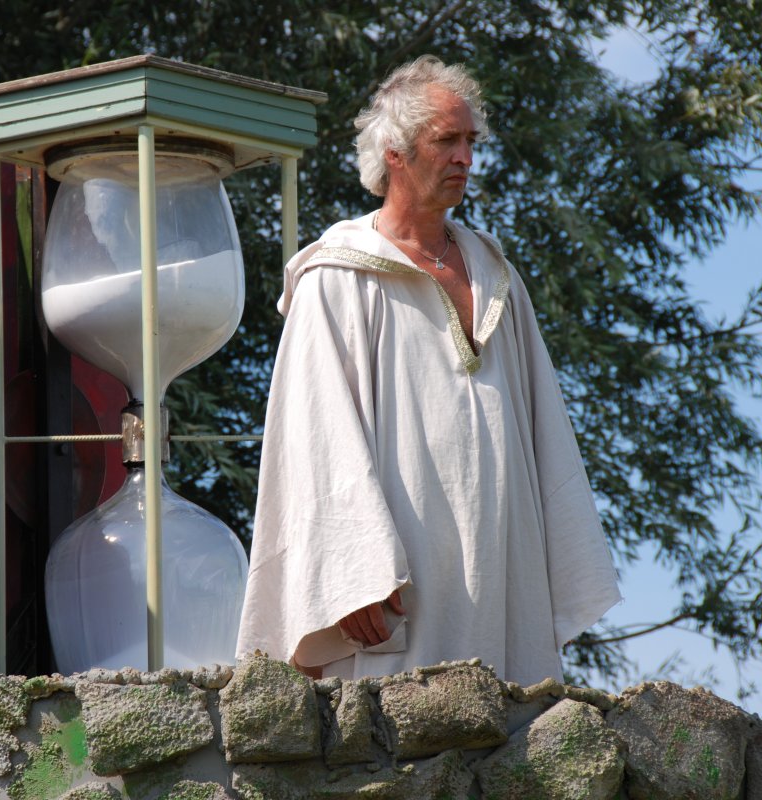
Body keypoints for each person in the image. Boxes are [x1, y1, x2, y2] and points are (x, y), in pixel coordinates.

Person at [235, 55, 621, 686]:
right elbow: (316, 437)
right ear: (395, 152)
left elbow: (545, 433)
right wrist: (350, 572)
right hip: (397, 583)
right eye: (447, 141)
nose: (465, 158)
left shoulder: (497, 276)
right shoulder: (336, 278)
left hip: (500, 565)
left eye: (471, 141)